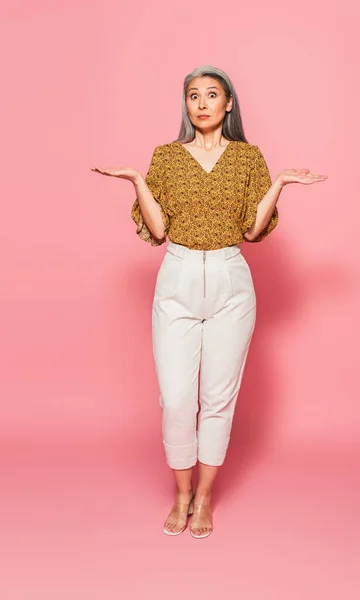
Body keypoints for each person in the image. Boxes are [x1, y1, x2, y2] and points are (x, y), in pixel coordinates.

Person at [91, 65, 328, 539]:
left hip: (230, 281)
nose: (201, 103)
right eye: (193, 95)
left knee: (217, 398)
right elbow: (157, 232)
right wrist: (137, 179)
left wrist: (278, 182)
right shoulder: (165, 157)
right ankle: (180, 494)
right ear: (186, 104)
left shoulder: (246, 159)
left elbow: (253, 230)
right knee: (177, 399)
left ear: (229, 104)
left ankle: (203, 498)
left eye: (211, 94)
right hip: (176, 277)